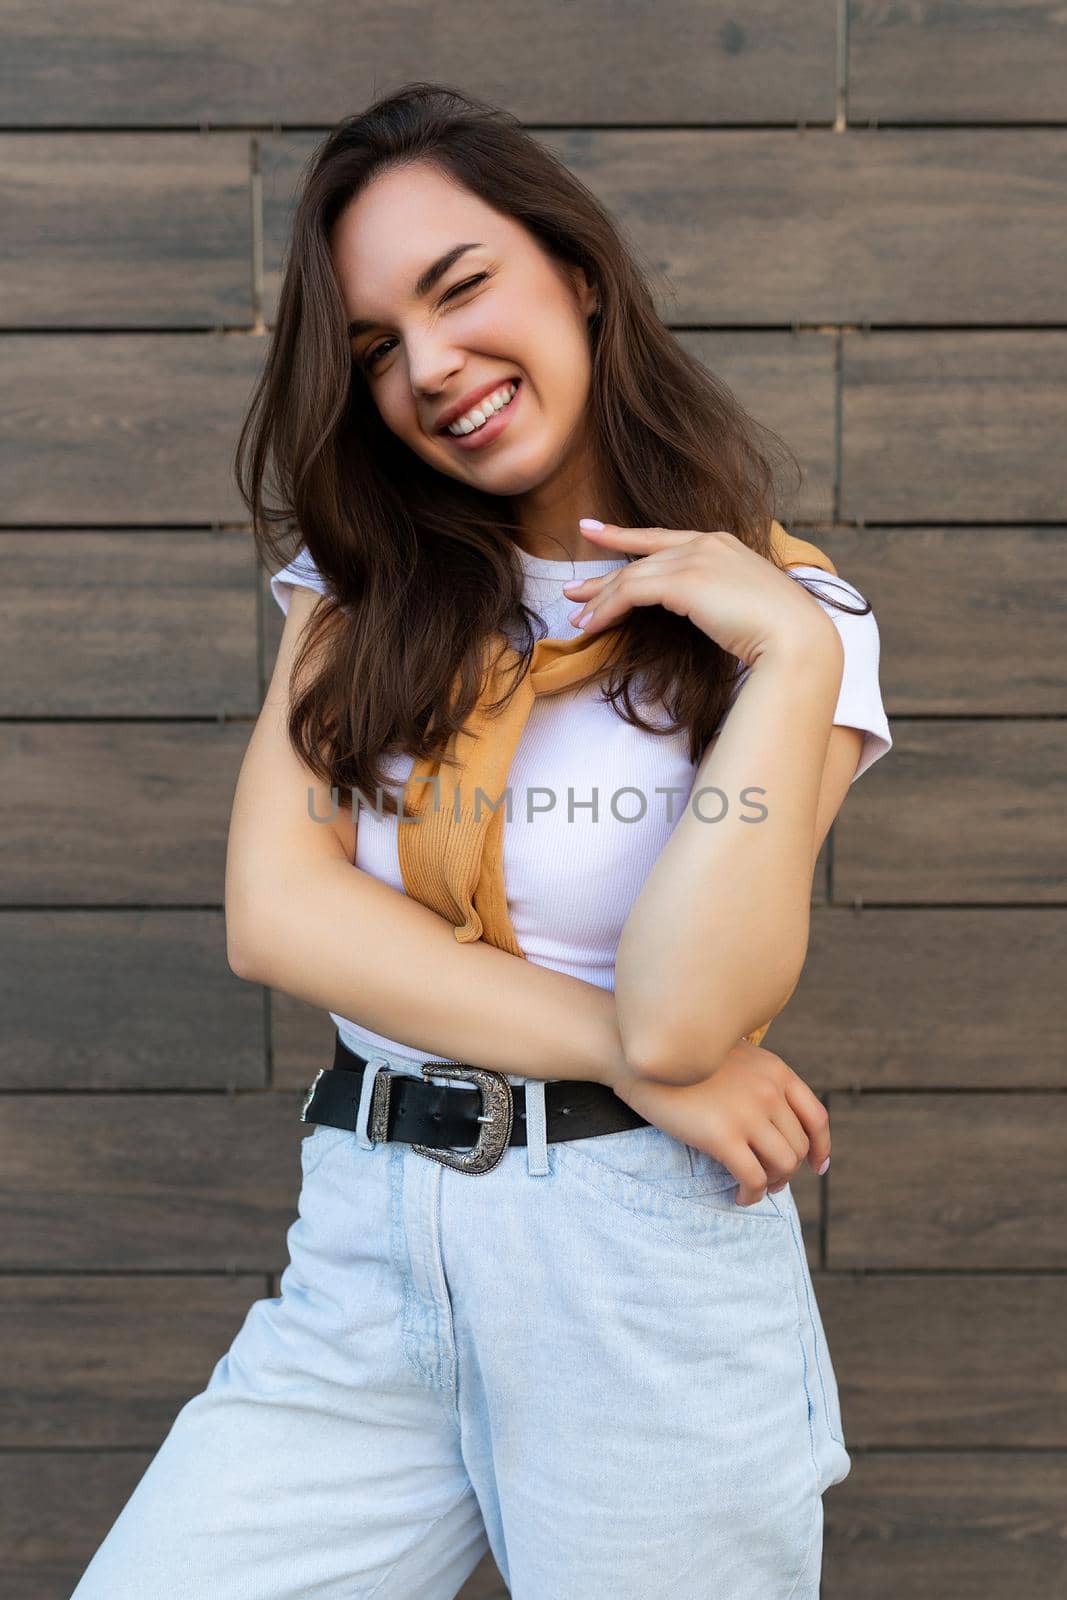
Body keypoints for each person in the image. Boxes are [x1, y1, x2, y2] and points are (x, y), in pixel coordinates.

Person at [71, 81, 892, 1600]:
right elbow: (280, 915)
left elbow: (693, 1008)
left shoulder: (795, 629)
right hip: (372, 1245)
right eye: (378, 348)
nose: (434, 368)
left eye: (462, 290)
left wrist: (786, 662)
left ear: (575, 268)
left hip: (635, 1275)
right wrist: (648, 1062)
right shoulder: (361, 584)